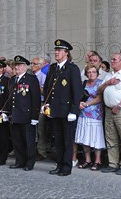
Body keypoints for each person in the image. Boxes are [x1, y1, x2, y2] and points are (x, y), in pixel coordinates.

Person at [44, 39, 82, 176]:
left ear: (66, 53)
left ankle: (66, 167)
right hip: (55, 110)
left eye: (59, 50)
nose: (56, 52)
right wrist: (47, 104)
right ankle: (59, 164)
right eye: (55, 50)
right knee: (58, 140)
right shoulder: (53, 68)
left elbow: (76, 92)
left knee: (67, 141)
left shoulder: (72, 69)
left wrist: (73, 110)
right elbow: (48, 88)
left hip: (67, 112)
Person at [98, 53, 121, 175]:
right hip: (109, 109)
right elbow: (99, 90)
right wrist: (107, 83)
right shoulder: (109, 75)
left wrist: (119, 106)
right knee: (110, 137)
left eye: (114, 59)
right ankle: (112, 163)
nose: (112, 61)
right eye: (112, 59)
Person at [7, 56, 40, 171]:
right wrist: (7, 112)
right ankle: (19, 161)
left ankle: (29, 162)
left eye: (19, 65)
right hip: (15, 115)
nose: (17, 67)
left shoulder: (31, 79)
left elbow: (35, 99)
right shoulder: (12, 80)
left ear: (25, 67)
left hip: (27, 115)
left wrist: (35, 116)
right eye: (15, 65)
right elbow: (10, 98)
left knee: (28, 141)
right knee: (17, 140)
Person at [74, 64, 105, 171]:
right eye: (89, 72)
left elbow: (99, 98)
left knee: (95, 137)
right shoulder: (84, 83)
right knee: (85, 137)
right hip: (83, 113)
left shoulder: (100, 83)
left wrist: (87, 104)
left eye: (93, 72)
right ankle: (88, 160)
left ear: (97, 73)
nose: (91, 74)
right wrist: (79, 104)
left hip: (95, 115)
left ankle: (97, 161)